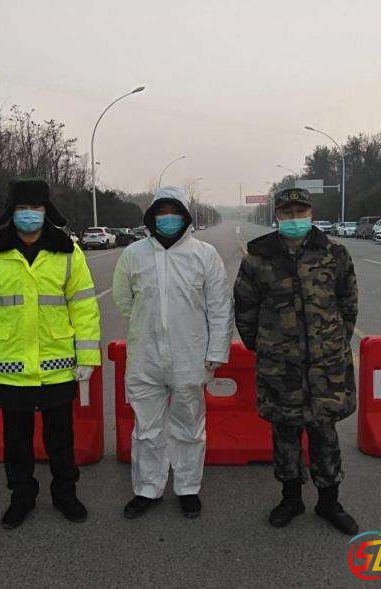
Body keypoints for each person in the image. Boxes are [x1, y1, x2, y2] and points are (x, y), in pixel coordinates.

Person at [0, 177, 101, 529]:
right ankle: (21, 497)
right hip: (10, 367)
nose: (29, 215)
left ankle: (65, 494)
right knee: (16, 441)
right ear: (11, 211)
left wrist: (87, 356)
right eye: (22, 208)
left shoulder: (68, 251)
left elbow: (84, 307)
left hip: (57, 365)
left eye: (35, 208)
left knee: (60, 439)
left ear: (46, 211)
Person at [233, 187, 359, 534]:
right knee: (285, 432)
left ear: (310, 214)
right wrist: (264, 346)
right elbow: (245, 309)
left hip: (324, 366)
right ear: (277, 216)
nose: (294, 219)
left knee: (325, 432)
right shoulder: (258, 258)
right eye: (287, 213)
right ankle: (290, 499)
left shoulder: (334, 253)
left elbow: (348, 303)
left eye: (300, 213)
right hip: (279, 365)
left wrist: (333, 343)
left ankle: (329, 502)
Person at [112, 186, 233, 519]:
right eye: (161, 212)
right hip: (146, 357)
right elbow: (123, 299)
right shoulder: (133, 255)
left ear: (185, 215)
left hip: (190, 357)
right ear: (151, 217)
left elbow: (220, 306)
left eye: (174, 212)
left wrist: (216, 350)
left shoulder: (204, 254)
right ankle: (147, 489)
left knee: (189, 426)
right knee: (146, 428)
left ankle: (187, 487)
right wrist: (146, 324)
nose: (168, 218)